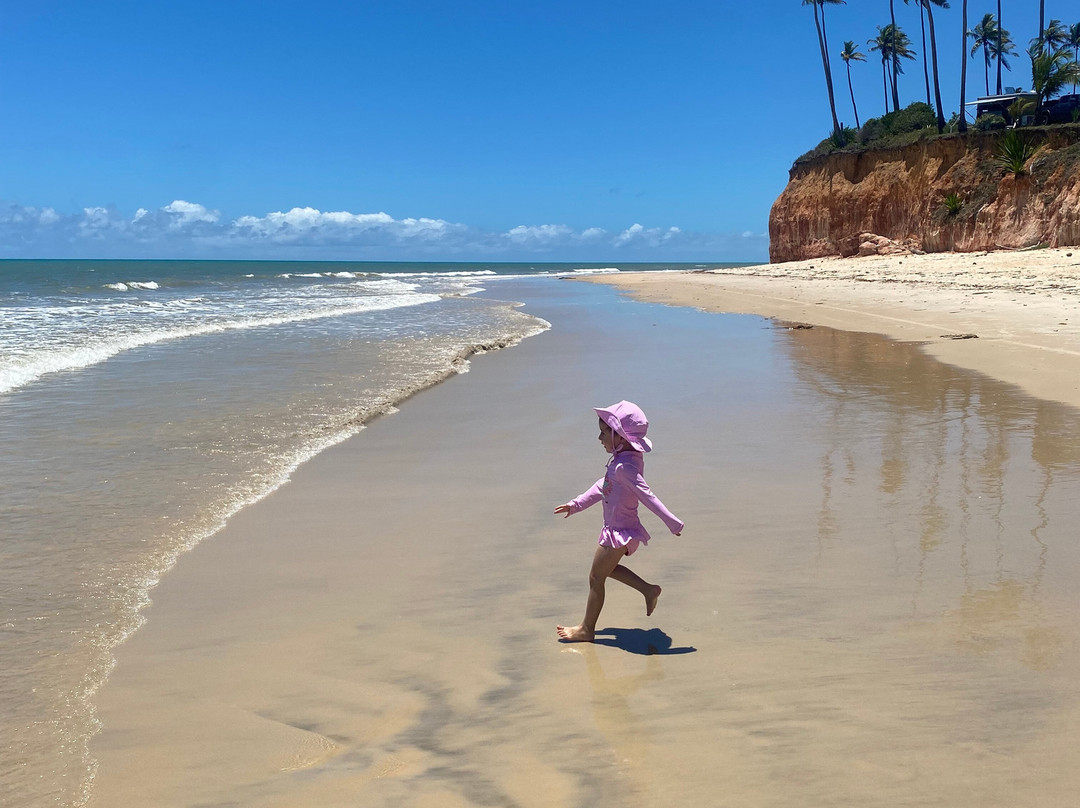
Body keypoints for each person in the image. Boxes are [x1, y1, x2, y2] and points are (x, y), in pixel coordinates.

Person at [555, 401, 684, 642]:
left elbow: (648, 496)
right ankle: (649, 590)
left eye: (604, 432)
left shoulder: (625, 467)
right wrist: (576, 504)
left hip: (619, 531)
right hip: (618, 529)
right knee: (607, 570)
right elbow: (603, 486)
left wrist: (672, 523)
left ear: (620, 437)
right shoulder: (622, 460)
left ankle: (586, 629)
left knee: (596, 577)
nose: (599, 437)